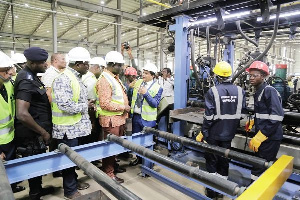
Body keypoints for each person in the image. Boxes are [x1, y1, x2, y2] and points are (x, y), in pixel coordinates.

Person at [196, 61, 247, 199]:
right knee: (224, 159)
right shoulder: (240, 91)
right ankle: (222, 190)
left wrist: (203, 131)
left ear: (217, 76)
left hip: (213, 133)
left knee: (212, 159)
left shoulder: (213, 91)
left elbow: (209, 116)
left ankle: (212, 191)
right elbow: (242, 114)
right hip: (229, 133)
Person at [51, 47, 92, 199]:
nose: (88, 66)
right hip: (67, 129)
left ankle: (73, 183)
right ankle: (70, 191)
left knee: (74, 160)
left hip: (76, 128)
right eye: (86, 63)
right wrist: (85, 105)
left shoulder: (75, 78)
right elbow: (65, 105)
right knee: (69, 162)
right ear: (78, 64)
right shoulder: (64, 78)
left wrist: (85, 103)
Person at [14, 47, 53, 200]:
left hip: (36, 132)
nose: (46, 64)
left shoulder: (32, 76)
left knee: (37, 165)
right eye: (42, 62)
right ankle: (34, 195)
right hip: (31, 134)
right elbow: (22, 114)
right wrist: (43, 132)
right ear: (31, 62)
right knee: (33, 165)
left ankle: (37, 190)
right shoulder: (26, 79)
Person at [96, 51, 131, 183]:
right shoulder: (105, 80)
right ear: (113, 65)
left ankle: (112, 168)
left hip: (118, 119)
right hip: (111, 121)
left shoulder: (113, 77)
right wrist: (124, 107)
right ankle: (109, 174)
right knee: (110, 148)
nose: (122, 68)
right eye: (120, 65)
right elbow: (105, 104)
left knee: (115, 148)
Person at [246, 61, 284, 176]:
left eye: (254, 75)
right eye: (250, 75)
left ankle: (254, 191)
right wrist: (254, 120)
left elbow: (277, 116)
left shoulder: (269, 91)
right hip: (265, 135)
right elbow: (264, 113)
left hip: (270, 137)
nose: (251, 78)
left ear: (263, 76)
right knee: (261, 164)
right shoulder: (260, 91)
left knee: (260, 166)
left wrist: (261, 136)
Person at [0, 51, 26, 193]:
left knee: (9, 168)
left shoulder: (8, 84)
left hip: (9, 138)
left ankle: (11, 187)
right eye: (5, 70)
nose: (11, 72)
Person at [130, 63, 163, 165]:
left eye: (146, 73)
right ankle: (139, 159)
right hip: (136, 116)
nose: (143, 75)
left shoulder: (158, 87)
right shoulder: (138, 82)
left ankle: (148, 163)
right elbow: (132, 95)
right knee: (136, 142)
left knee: (147, 142)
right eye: (143, 73)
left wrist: (146, 94)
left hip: (148, 120)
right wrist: (130, 88)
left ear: (152, 75)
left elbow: (154, 104)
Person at [81, 57, 105, 143]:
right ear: (97, 67)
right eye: (102, 69)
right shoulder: (92, 81)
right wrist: (93, 122)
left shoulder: (83, 77)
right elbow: (91, 104)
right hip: (90, 118)